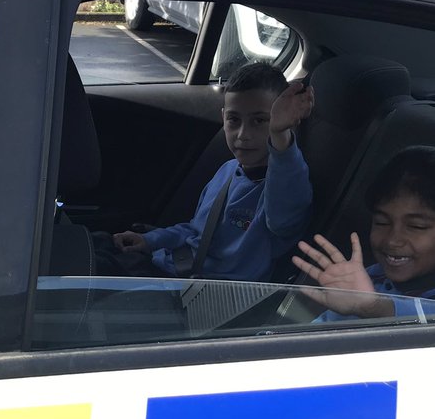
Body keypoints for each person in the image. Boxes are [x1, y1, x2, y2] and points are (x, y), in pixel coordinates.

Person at [112, 62, 314, 282]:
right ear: (223, 117)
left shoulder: (285, 186)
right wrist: (150, 240)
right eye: (234, 120)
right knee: (98, 247)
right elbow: (197, 231)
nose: (242, 135)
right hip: (172, 269)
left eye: (260, 121)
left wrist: (280, 134)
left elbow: (284, 221)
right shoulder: (227, 171)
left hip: (211, 294)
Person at [293, 145, 435, 320]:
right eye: (382, 222)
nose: (393, 240)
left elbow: (433, 326)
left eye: (417, 227)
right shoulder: (373, 276)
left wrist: (372, 306)